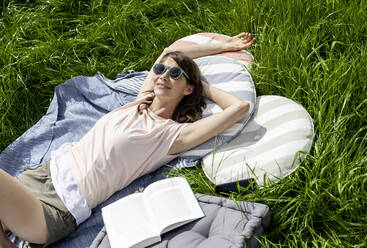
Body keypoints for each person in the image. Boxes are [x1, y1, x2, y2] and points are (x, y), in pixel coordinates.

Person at [0, 32, 256, 248]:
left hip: (58, 207)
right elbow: (171, 50)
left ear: (188, 89)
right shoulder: (139, 102)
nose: (164, 75)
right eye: (160, 70)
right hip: (39, 177)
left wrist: (203, 85)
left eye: (176, 74)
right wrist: (224, 45)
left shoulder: (172, 135)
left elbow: (239, 108)